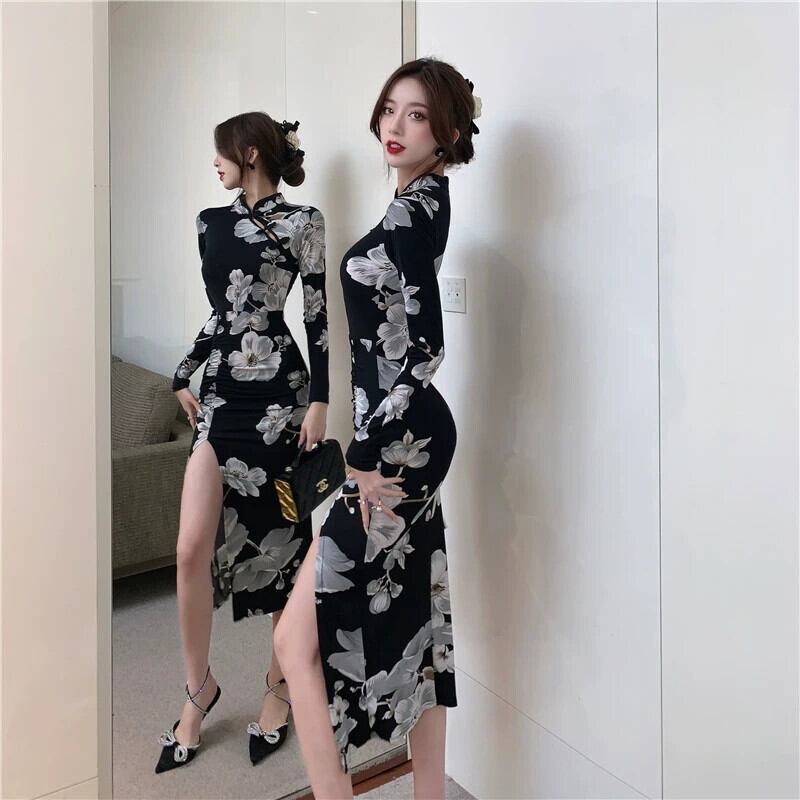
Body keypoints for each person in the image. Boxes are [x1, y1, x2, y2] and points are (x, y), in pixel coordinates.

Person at [273, 58, 480, 799]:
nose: (396, 125)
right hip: (405, 439)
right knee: (418, 618)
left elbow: (426, 349)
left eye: (417, 115)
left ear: (446, 131)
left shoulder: (414, 212)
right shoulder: (419, 200)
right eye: (391, 108)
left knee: (294, 639)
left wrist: (362, 448)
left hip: (398, 448)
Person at [155, 111, 330, 773]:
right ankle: (197, 689)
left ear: (250, 152)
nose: (215, 163)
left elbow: (316, 315)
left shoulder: (304, 222)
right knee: (189, 548)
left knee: (285, 544)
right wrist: (183, 370)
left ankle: (279, 685)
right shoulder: (210, 222)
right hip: (224, 397)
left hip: (282, 400)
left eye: (221, 153)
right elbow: (222, 313)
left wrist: (320, 401)